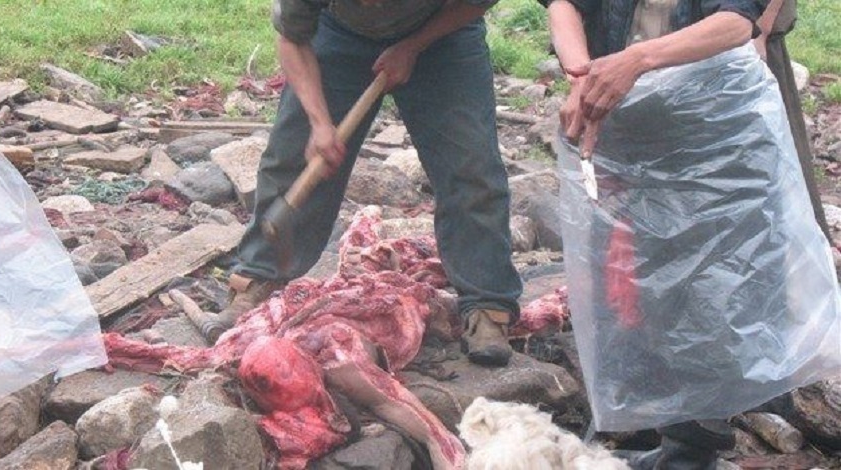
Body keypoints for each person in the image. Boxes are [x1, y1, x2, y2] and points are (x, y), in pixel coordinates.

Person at [539, 0, 841, 469]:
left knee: (714, 281)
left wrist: (636, 60)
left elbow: (735, 21)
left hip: (714, 117)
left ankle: (697, 442)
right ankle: (645, 419)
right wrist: (583, 77)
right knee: (628, 275)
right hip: (623, 115)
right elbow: (566, 3)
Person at [212, 0, 523, 367]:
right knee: (294, 155)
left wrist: (414, 45)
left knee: (471, 166)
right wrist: (320, 123)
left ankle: (488, 307)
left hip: (443, 35)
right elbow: (293, 40)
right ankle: (257, 278)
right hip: (338, 32)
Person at [754, 0, 832, 241]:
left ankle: (803, 243)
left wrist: (762, 28)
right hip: (706, 34)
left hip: (753, 34)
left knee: (777, 147)